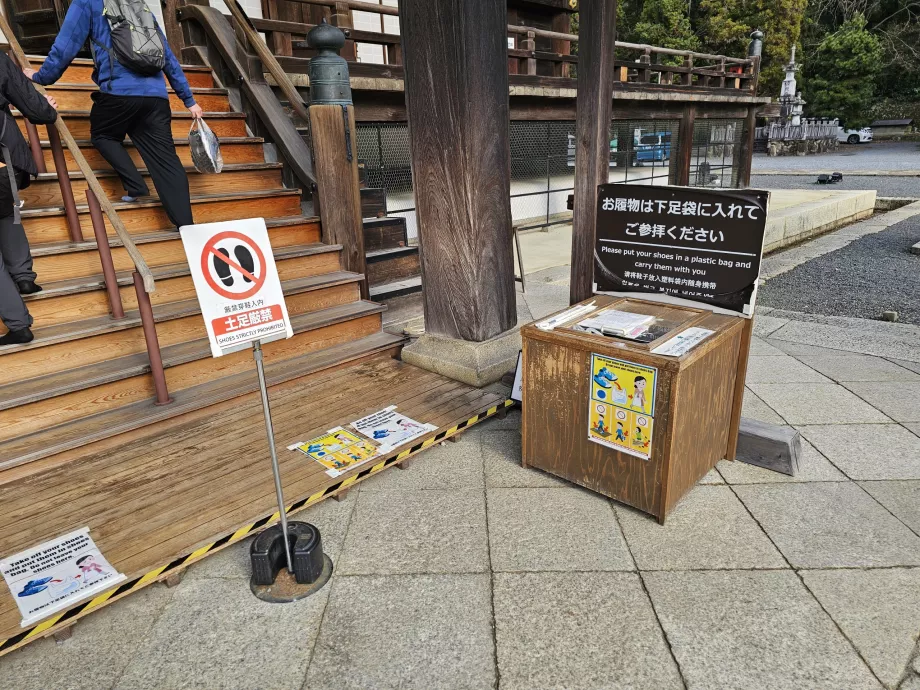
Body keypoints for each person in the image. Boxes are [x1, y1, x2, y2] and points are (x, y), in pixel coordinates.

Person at [25, 0, 203, 229]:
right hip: (156, 98)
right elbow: (167, 55)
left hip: (119, 93)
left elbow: (66, 45)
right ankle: (187, 228)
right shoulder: (139, 5)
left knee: (102, 135)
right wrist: (189, 100)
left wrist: (42, 77)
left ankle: (136, 185)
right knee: (167, 163)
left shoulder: (87, 2)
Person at [0, 52, 58, 346]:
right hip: (4, 160)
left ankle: (19, 325)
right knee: (6, 213)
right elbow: (37, 110)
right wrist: (45, 108)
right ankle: (24, 277)